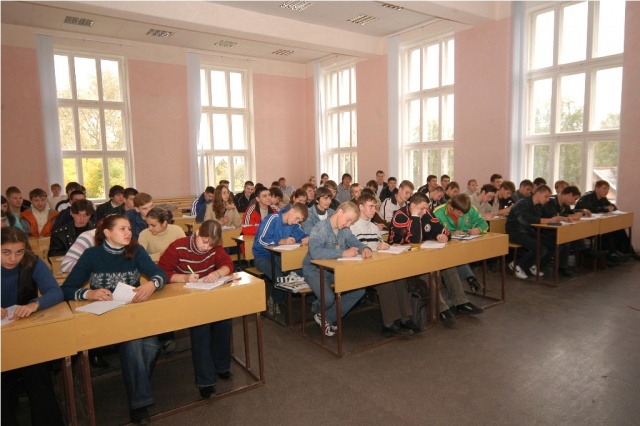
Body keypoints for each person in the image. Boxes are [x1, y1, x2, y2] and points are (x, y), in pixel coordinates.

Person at [61, 215, 167, 424]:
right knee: (135, 344)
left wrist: (152, 284)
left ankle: (137, 386)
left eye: (129, 228)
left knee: (151, 345)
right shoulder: (92, 254)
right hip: (104, 317)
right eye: (122, 229)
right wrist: (89, 293)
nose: (128, 233)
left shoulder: (136, 251)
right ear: (107, 233)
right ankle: (139, 403)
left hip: (132, 313)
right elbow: (66, 288)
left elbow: (159, 273)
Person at [158, 220, 234, 399]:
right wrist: (183, 278)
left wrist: (217, 273)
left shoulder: (214, 247)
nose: (207, 247)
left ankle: (221, 366)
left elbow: (228, 264)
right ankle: (206, 380)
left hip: (205, 296)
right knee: (201, 328)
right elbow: (161, 273)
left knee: (225, 320)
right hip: (183, 298)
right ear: (197, 233)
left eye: (211, 245)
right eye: (204, 242)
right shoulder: (178, 247)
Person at [1, 227, 66, 426]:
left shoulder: (33, 262)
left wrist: (34, 304)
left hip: (24, 334)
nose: (13, 258)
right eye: (6, 252)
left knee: (38, 372)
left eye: (19, 252)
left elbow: (55, 292)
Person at [389, 192, 483, 327]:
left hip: (423, 255)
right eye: (422, 208)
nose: (425, 211)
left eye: (426, 208)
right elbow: (414, 240)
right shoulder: (400, 216)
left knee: (448, 265)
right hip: (402, 260)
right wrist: (415, 216)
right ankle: (442, 309)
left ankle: (461, 302)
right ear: (413, 206)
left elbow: (444, 230)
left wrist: (441, 235)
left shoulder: (427, 213)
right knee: (426, 273)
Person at [350, 192, 421, 336]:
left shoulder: (374, 227)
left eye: (375, 206)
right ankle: (389, 324)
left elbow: (380, 245)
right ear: (361, 207)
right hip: (361, 268)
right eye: (370, 207)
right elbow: (355, 249)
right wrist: (376, 247)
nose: (374, 210)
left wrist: (387, 246)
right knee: (386, 282)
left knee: (398, 278)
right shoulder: (353, 227)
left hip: (377, 264)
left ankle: (404, 318)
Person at [302, 201, 372, 337]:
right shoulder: (319, 228)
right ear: (339, 212)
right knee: (328, 299)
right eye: (348, 220)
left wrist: (365, 248)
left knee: (359, 290)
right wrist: (343, 253)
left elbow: (354, 241)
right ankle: (317, 308)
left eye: (351, 222)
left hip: (334, 269)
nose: (348, 224)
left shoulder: (345, 229)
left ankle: (326, 317)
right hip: (314, 270)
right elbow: (315, 253)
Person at [253, 203, 310, 314]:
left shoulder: (293, 224)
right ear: (291, 210)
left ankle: (310, 301)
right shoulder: (272, 219)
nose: (296, 222)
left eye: (299, 221)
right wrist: (281, 241)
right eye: (297, 218)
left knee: (302, 271)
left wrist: (306, 238)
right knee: (279, 277)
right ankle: (274, 301)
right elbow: (261, 240)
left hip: (280, 256)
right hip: (263, 257)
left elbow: (302, 234)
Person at [506, 185, 567, 279]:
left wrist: (562, 218)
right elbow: (525, 220)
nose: (548, 199)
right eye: (546, 196)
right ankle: (517, 265)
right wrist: (550, 220)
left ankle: (533, 264)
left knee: (555, 244)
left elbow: (549, 215)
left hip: (528, 231)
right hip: (516, 232)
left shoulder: (539, 205)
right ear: (538, 194)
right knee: (540, 249)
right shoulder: (522, 203)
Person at [575, 180, 639, 262]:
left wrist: (611, 207)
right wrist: (605, 209)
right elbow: (589, 209)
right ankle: (612, 254)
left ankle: (629, 251)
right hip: (587, 226)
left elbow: (612, 207)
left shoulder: (603, 198)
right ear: (597, 188)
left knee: (619, 229)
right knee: (607, 230)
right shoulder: (587, 197)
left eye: (608, 189)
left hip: (598, 224)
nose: (607, 191)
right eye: (604, 188)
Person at [433, 194, 487, 292]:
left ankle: (469, 279)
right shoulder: (438, 212)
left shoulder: (471, 209)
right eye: (459, 212)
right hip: (446, 249)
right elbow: (432, 232)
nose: (462, 215)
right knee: (455, 254)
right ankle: (470, 278)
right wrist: (450, 234)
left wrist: (478, 229)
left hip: (466, 245)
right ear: (451, 207)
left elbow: (483, 223)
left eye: (464, 213)